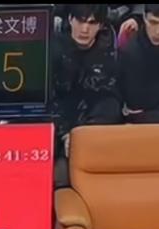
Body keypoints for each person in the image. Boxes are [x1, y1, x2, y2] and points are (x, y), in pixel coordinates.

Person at [51, 4, 121, 188]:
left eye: (91, 23)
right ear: (69, 20)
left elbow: (109, 101)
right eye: (80, 21)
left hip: (90, 136)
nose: (84, 29)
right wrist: (65, 134)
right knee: (59, 174)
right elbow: (48, 100)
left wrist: (82, 136)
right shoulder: (53, 50)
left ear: (101, 25)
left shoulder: (108, 55)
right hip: (57, 133)